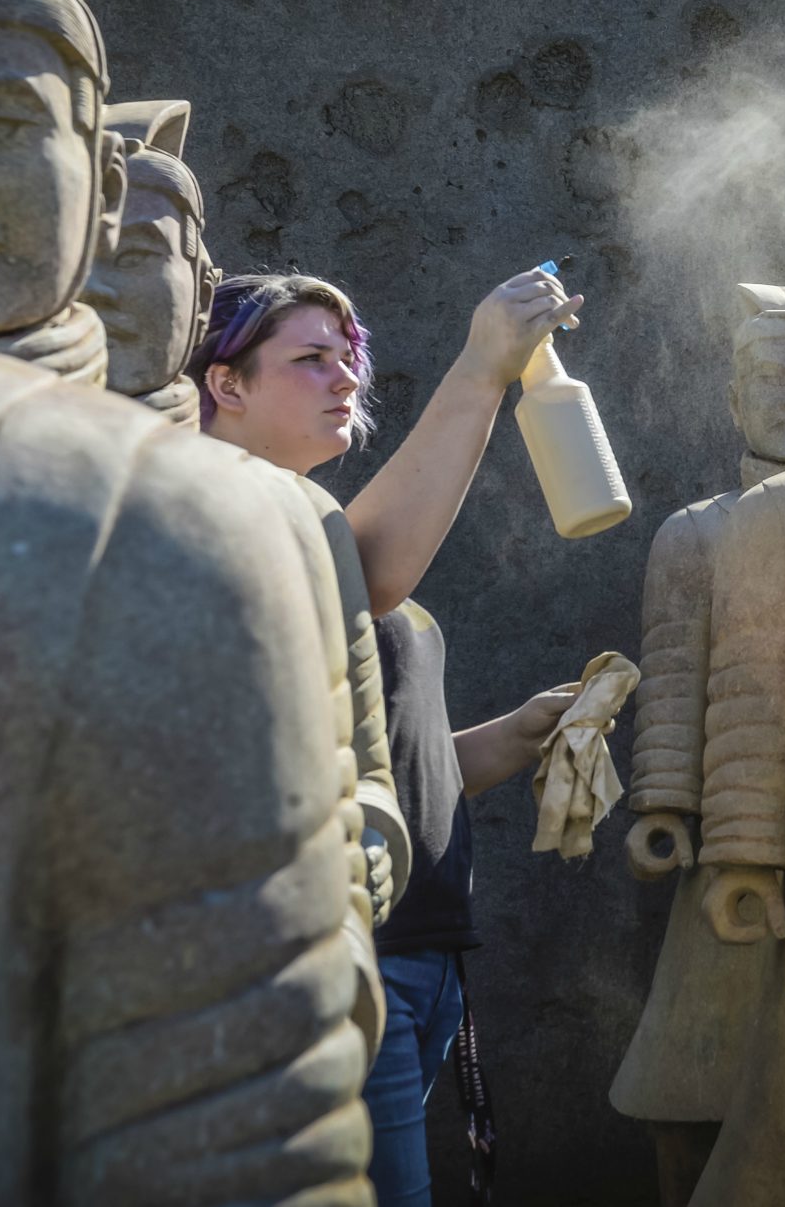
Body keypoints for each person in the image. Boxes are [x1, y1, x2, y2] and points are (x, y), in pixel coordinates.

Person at [192, 268, 593, 1206]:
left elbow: (390, 770)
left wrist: (520, 736)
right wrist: (482, 369)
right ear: (225, 382)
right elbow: (373, 567)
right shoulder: (220, 515)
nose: (345, 378)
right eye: (309, 359)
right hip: (337, 953)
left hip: (421, 955)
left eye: (348, 358)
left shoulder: (312, 525)